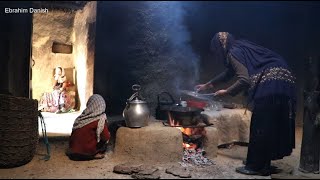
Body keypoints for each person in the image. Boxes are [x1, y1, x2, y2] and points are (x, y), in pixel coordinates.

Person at [195, 32, 297, 176]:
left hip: (271, 82)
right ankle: (263, 164)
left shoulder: (233, 52)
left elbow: (244, 79)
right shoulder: (238, 47)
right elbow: (229, 73)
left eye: (216, 50)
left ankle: (255, 166)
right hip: (283, 80)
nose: (217, 54)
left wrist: (226, 92)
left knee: (260, 124)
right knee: (269, 125)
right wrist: (208, 85)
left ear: (220, 47)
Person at [66, 94, 111, 161]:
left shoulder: (81, 118)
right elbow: (105, 136)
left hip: (73, 153)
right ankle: (93, 154)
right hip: (86, 154)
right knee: (104, 142)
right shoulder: (100, 119)